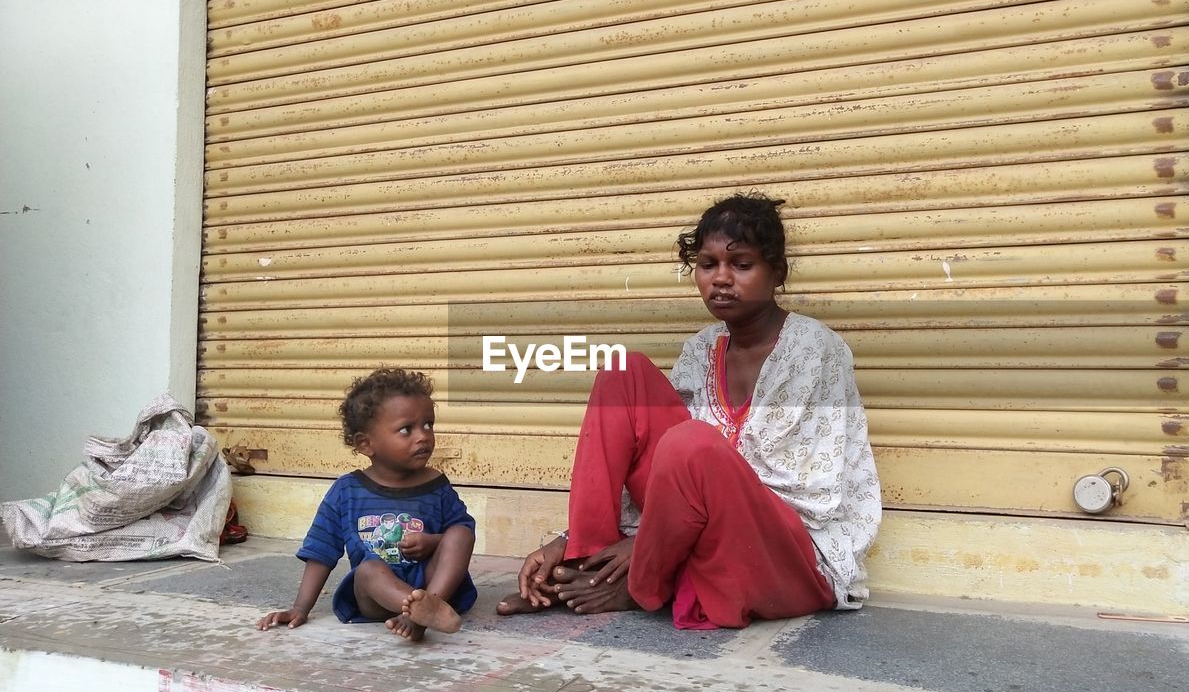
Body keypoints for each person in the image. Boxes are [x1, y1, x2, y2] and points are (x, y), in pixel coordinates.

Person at [496, 193, 881, 629]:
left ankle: (639, 584)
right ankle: (585, 564)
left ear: (777, 272)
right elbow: (667, 474)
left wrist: (645, 546)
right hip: (697, 534)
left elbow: (809, 496)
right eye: (707, 264)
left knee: (692, 442)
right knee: (625, 371)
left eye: (741, 265)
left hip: (788, 556)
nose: (720, 279)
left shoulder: (815, 350)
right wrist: (568, 542)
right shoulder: (700, 350)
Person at [257, 368, 477, 641]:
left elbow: (461, 539)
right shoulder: (347, 491)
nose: (423, 436)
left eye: (428, 424)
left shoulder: (436, 484)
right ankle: (418, 611)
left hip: (432, 585)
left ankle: (429, 607)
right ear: (366, 443)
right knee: (368, 570)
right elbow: (321, 551)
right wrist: (301, 607)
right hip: (375, 596)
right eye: (406, 429)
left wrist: (433, 542)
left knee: (461, 532)